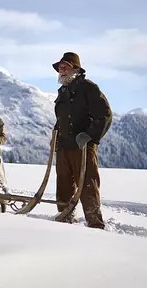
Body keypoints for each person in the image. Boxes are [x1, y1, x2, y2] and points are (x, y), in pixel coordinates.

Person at [51, 52, 113, 229]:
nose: (62, 70)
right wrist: (55, 136)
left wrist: (90, 134)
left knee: (87, 185)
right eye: (60, 67)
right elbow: (61, 118)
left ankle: (95, 223)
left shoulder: (89, 88)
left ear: (76, 69)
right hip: (64, 146)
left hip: (83, 147)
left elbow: (105, 115)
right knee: (63, 186)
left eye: (66, 67)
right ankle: (65, 218)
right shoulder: (62, 91)